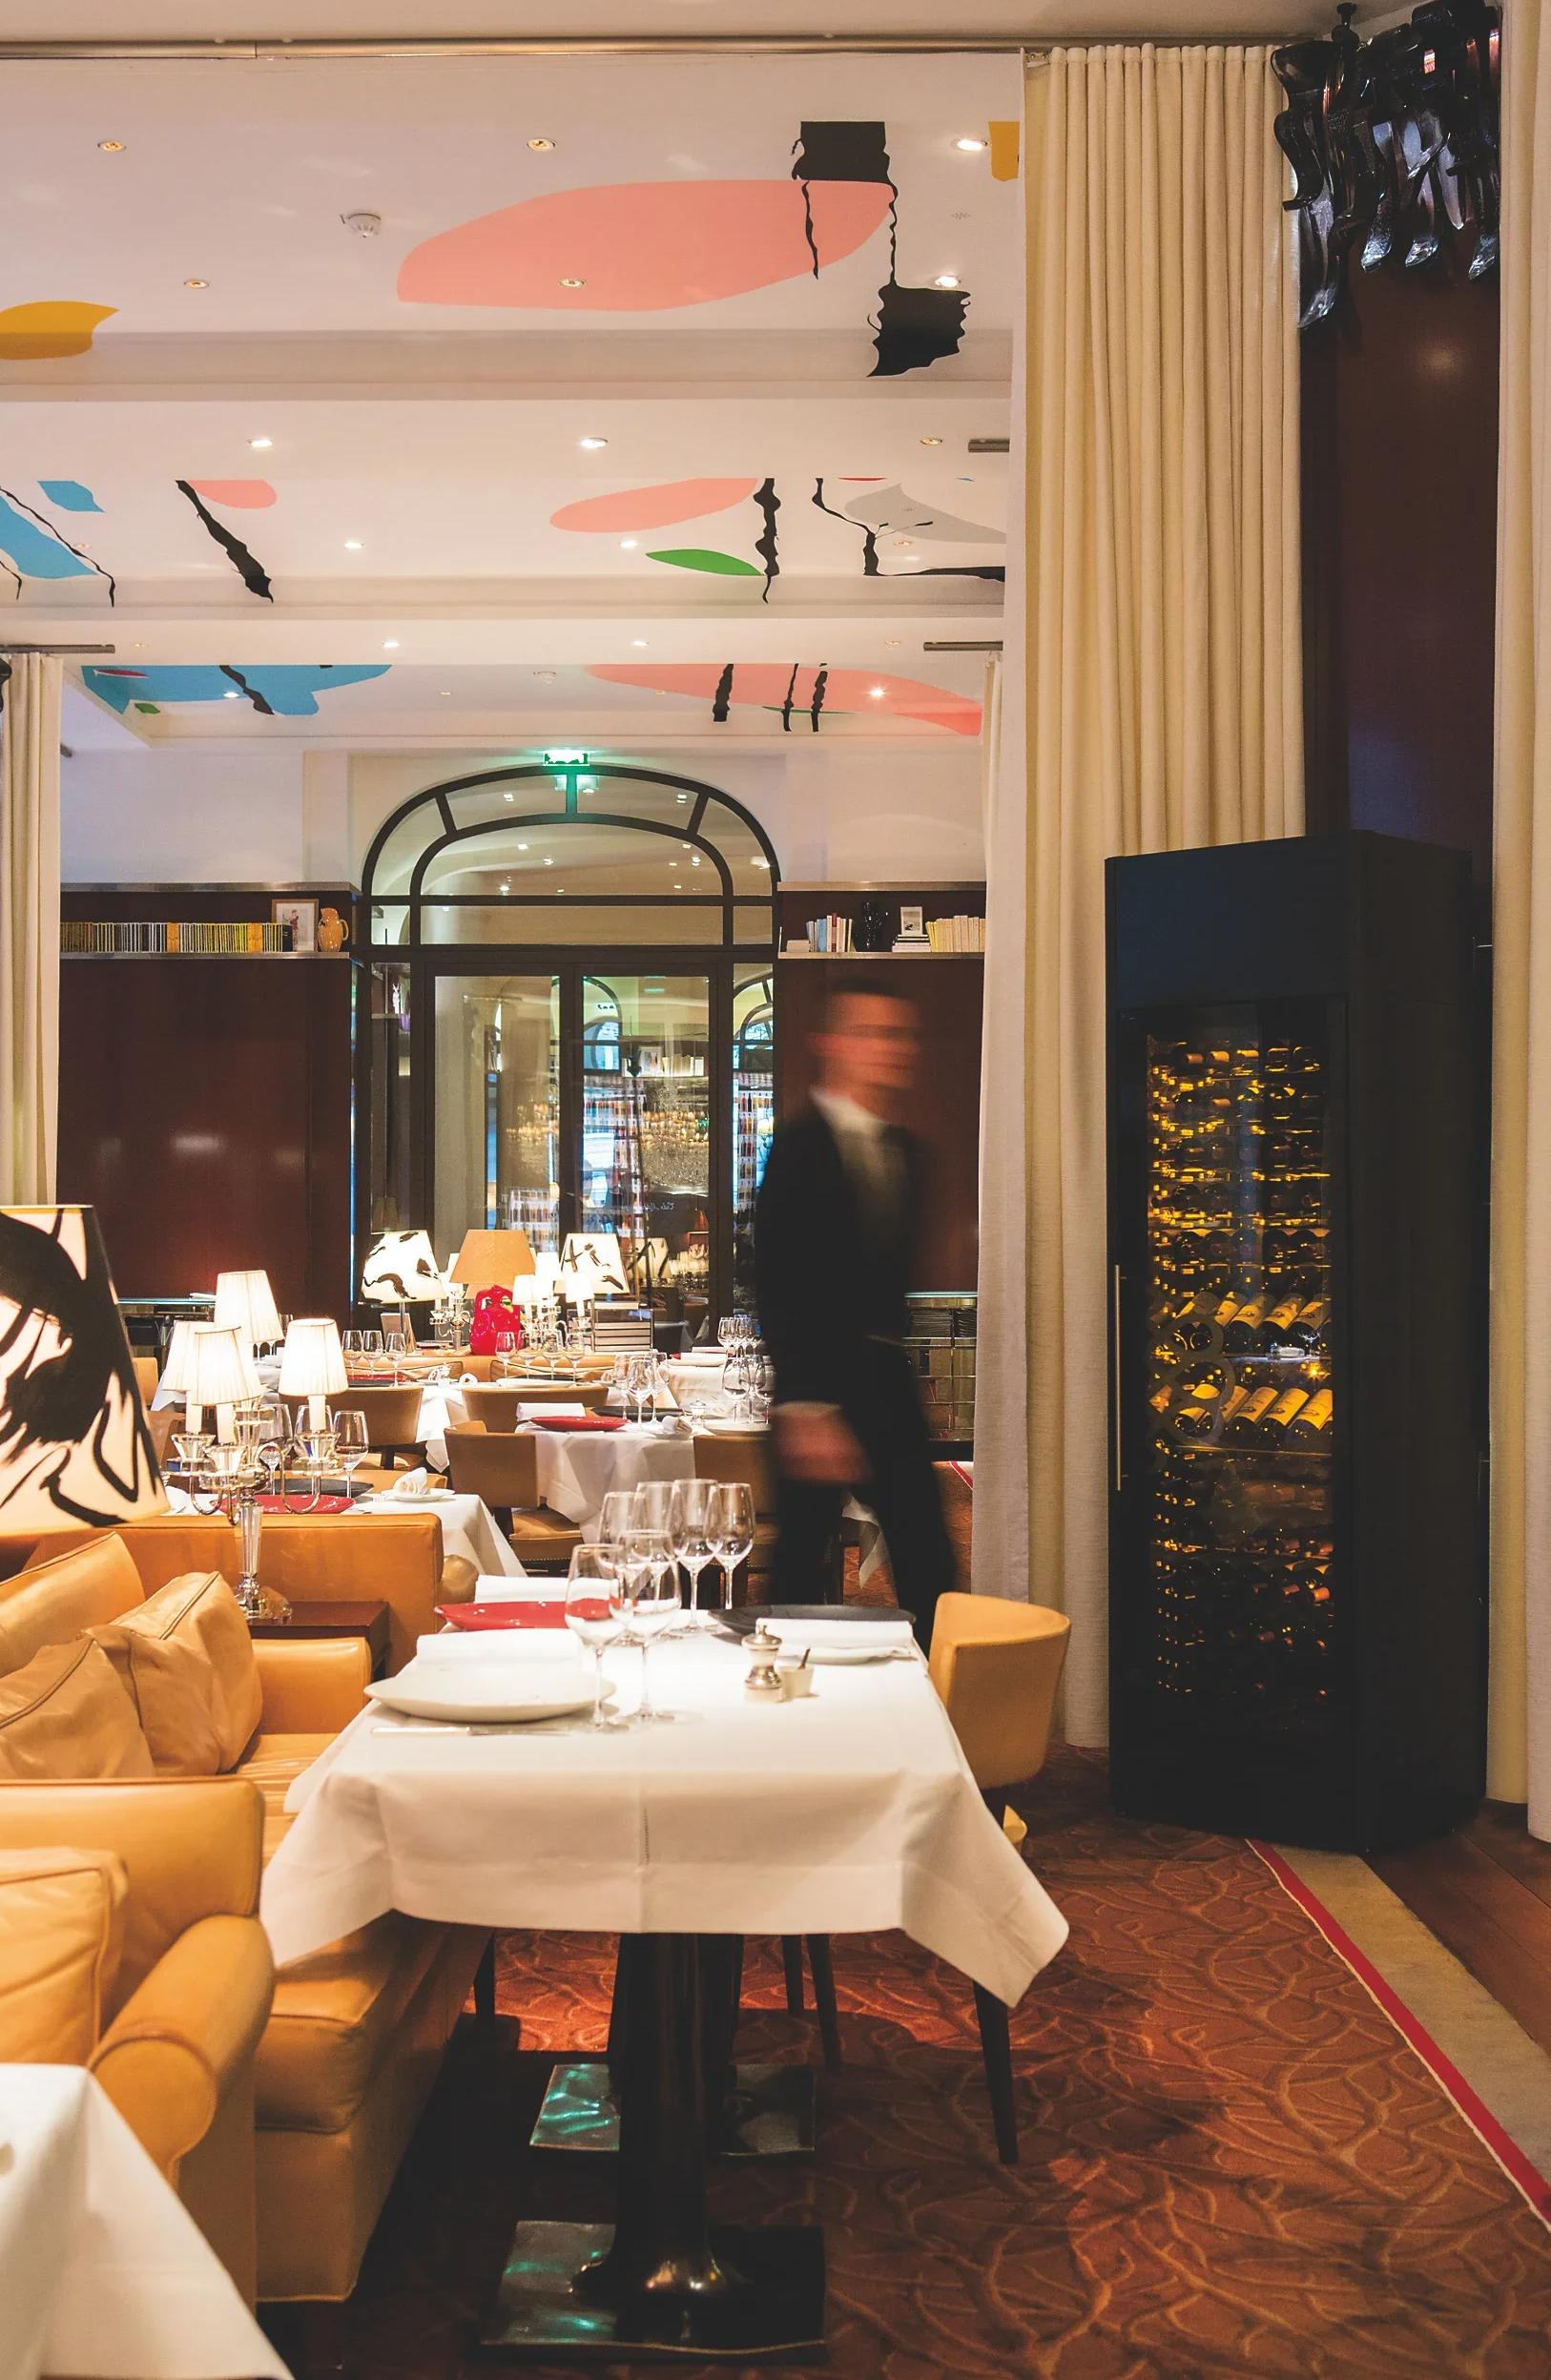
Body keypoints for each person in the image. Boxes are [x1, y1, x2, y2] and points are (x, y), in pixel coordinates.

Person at [754, 977, 954, 1647]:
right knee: (798, 1571)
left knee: (931, 1563)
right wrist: (804, 1404)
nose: (893, 1048)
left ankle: (943, 1695)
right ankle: (778, 1687)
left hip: (888, 1388)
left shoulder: (908, 1154)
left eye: (901, 1035)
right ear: (831, 1043)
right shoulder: (798, 1147)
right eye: (874, 1033)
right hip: (815, 1390)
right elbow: (776, 1280)